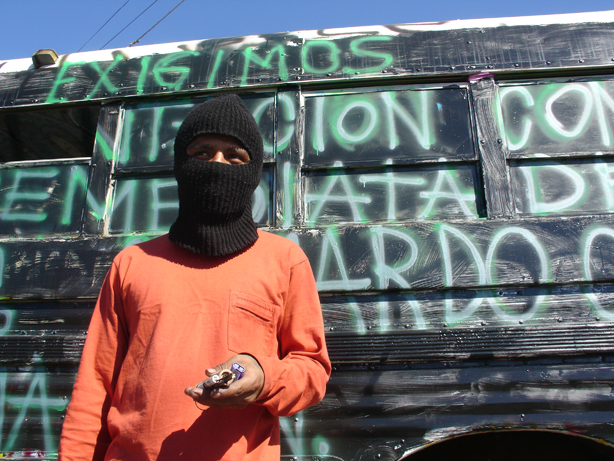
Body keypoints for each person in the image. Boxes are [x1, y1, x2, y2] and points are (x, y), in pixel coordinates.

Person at [59, 94, 331, 461]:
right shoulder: (132, 263)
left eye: (234, 156)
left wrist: (264, 377)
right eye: (202, 153)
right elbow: (94, 387)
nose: (217, 165)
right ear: (180, 164)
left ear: (252, 172)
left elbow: (312, 370)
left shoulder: (284, 261)